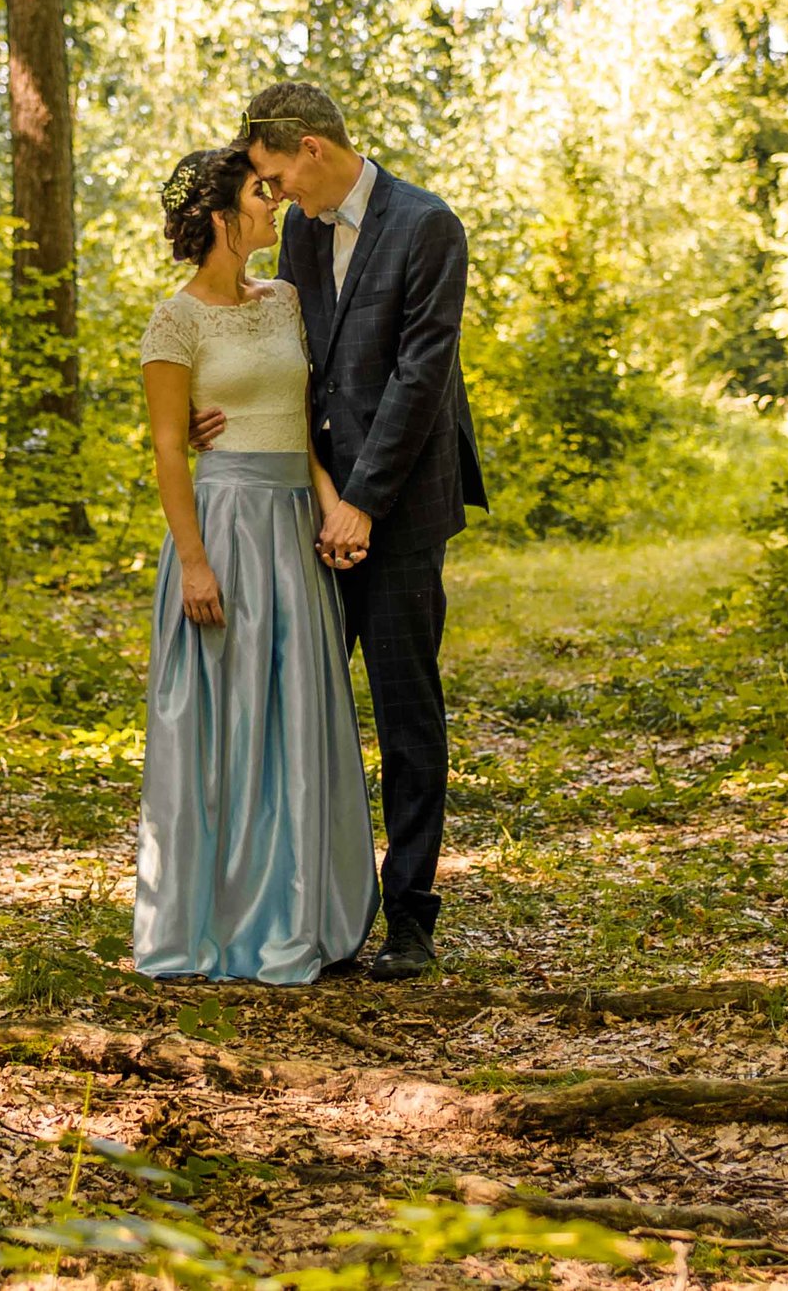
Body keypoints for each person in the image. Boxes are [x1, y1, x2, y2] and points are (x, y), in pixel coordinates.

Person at [195, 82, 488, 981]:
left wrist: (362, 500)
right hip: (309, 510)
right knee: (305, 714)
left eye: (278, 174)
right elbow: (296, 365)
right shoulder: (303, 235)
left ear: (314, 149)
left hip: (398, 509)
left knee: (406, 713)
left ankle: (410, 917)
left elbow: (420, 375)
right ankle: (306, 909)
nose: (274, 193)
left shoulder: (428, 225)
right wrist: (226, 415)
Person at [132, 147, 378, 984]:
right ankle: (216, 919)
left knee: (294, 715)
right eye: (257, 193)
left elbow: (301, 420)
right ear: (218, 217)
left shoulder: (286, 302)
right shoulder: (175, 321)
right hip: (225, 529)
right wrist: (194, 563)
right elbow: (170, 453)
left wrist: (332, 498)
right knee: (225, 722)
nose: (273, 203)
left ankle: (298, 910)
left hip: (292, 527)